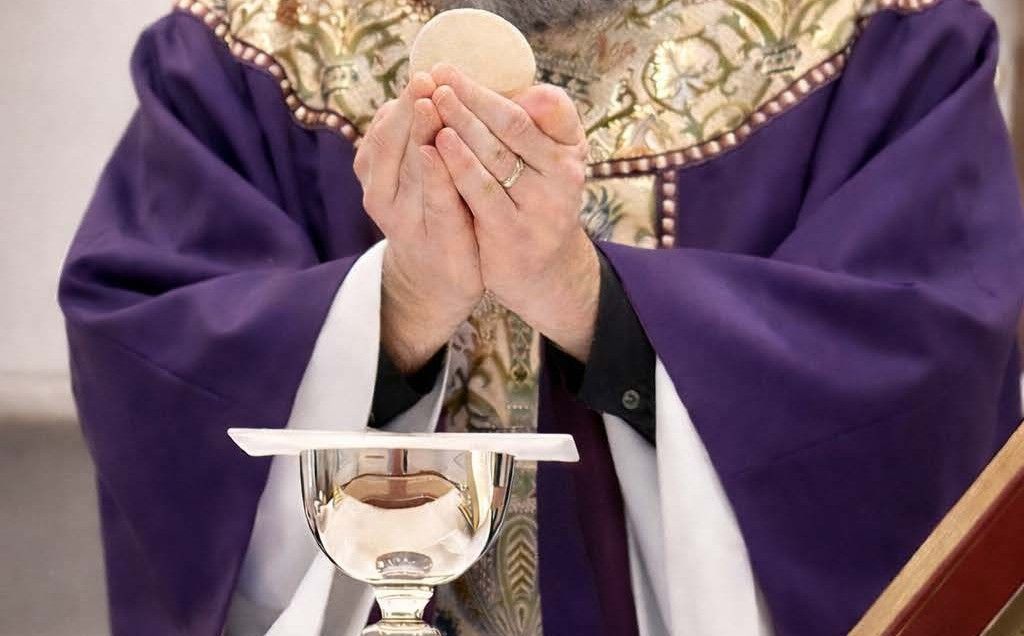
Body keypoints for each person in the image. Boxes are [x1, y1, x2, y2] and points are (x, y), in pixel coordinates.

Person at [59, 0, 1024, 634]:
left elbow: (928, 361)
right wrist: (399, 305)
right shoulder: (256, 46)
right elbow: (152, 356)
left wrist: (589, 301)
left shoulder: (875, 40)